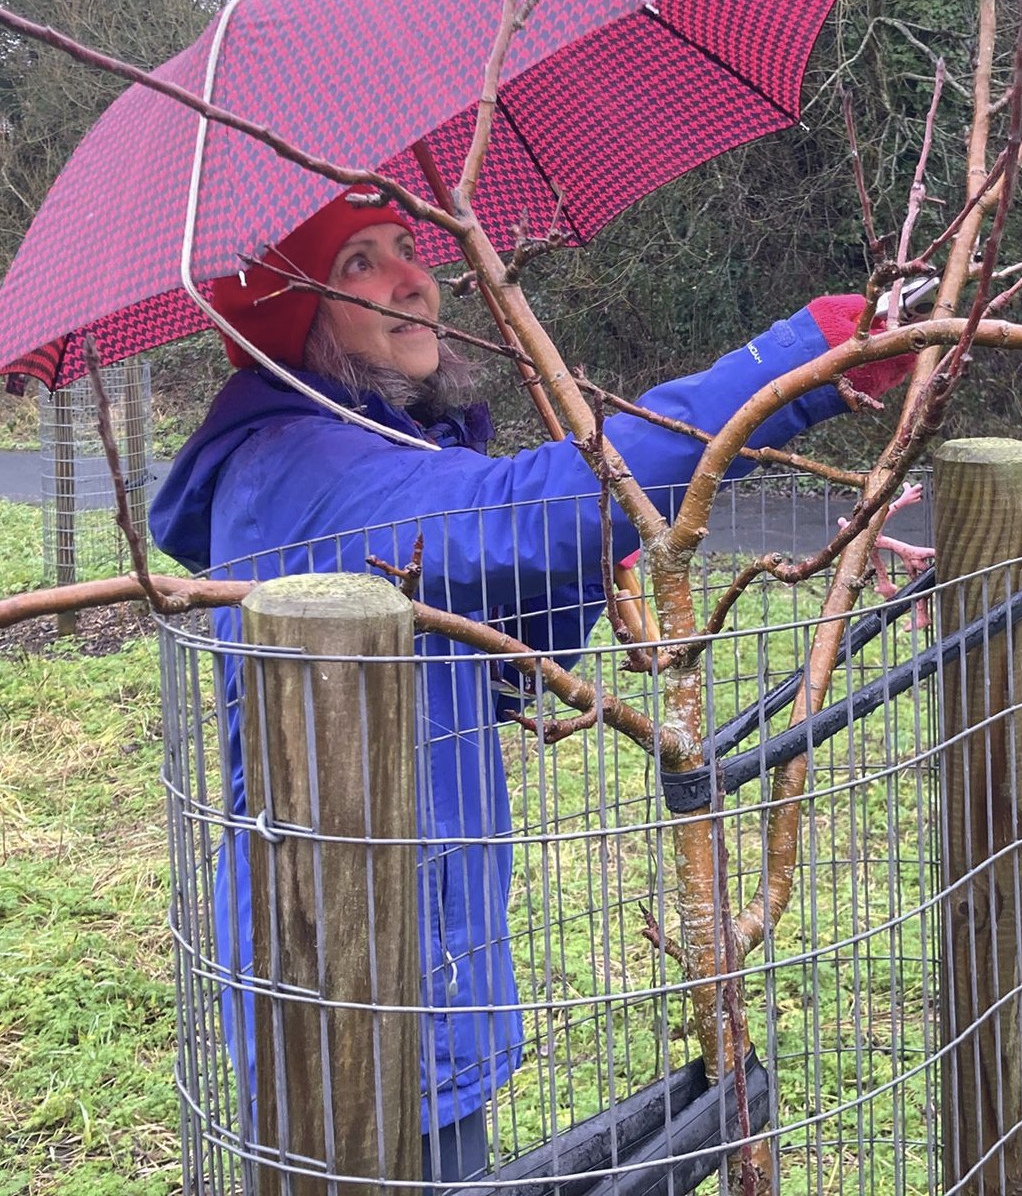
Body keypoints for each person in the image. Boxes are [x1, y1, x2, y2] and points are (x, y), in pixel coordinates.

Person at [150, 188, 911, 1186]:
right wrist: (798, 363)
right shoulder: (303, 461)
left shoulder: (363, 450)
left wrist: (594, 550)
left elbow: (504, 656)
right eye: (358, 265)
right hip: (352, 982)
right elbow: (517, 513)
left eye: (407, 248)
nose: (413, 278)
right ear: (287, 317)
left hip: (399, 951)